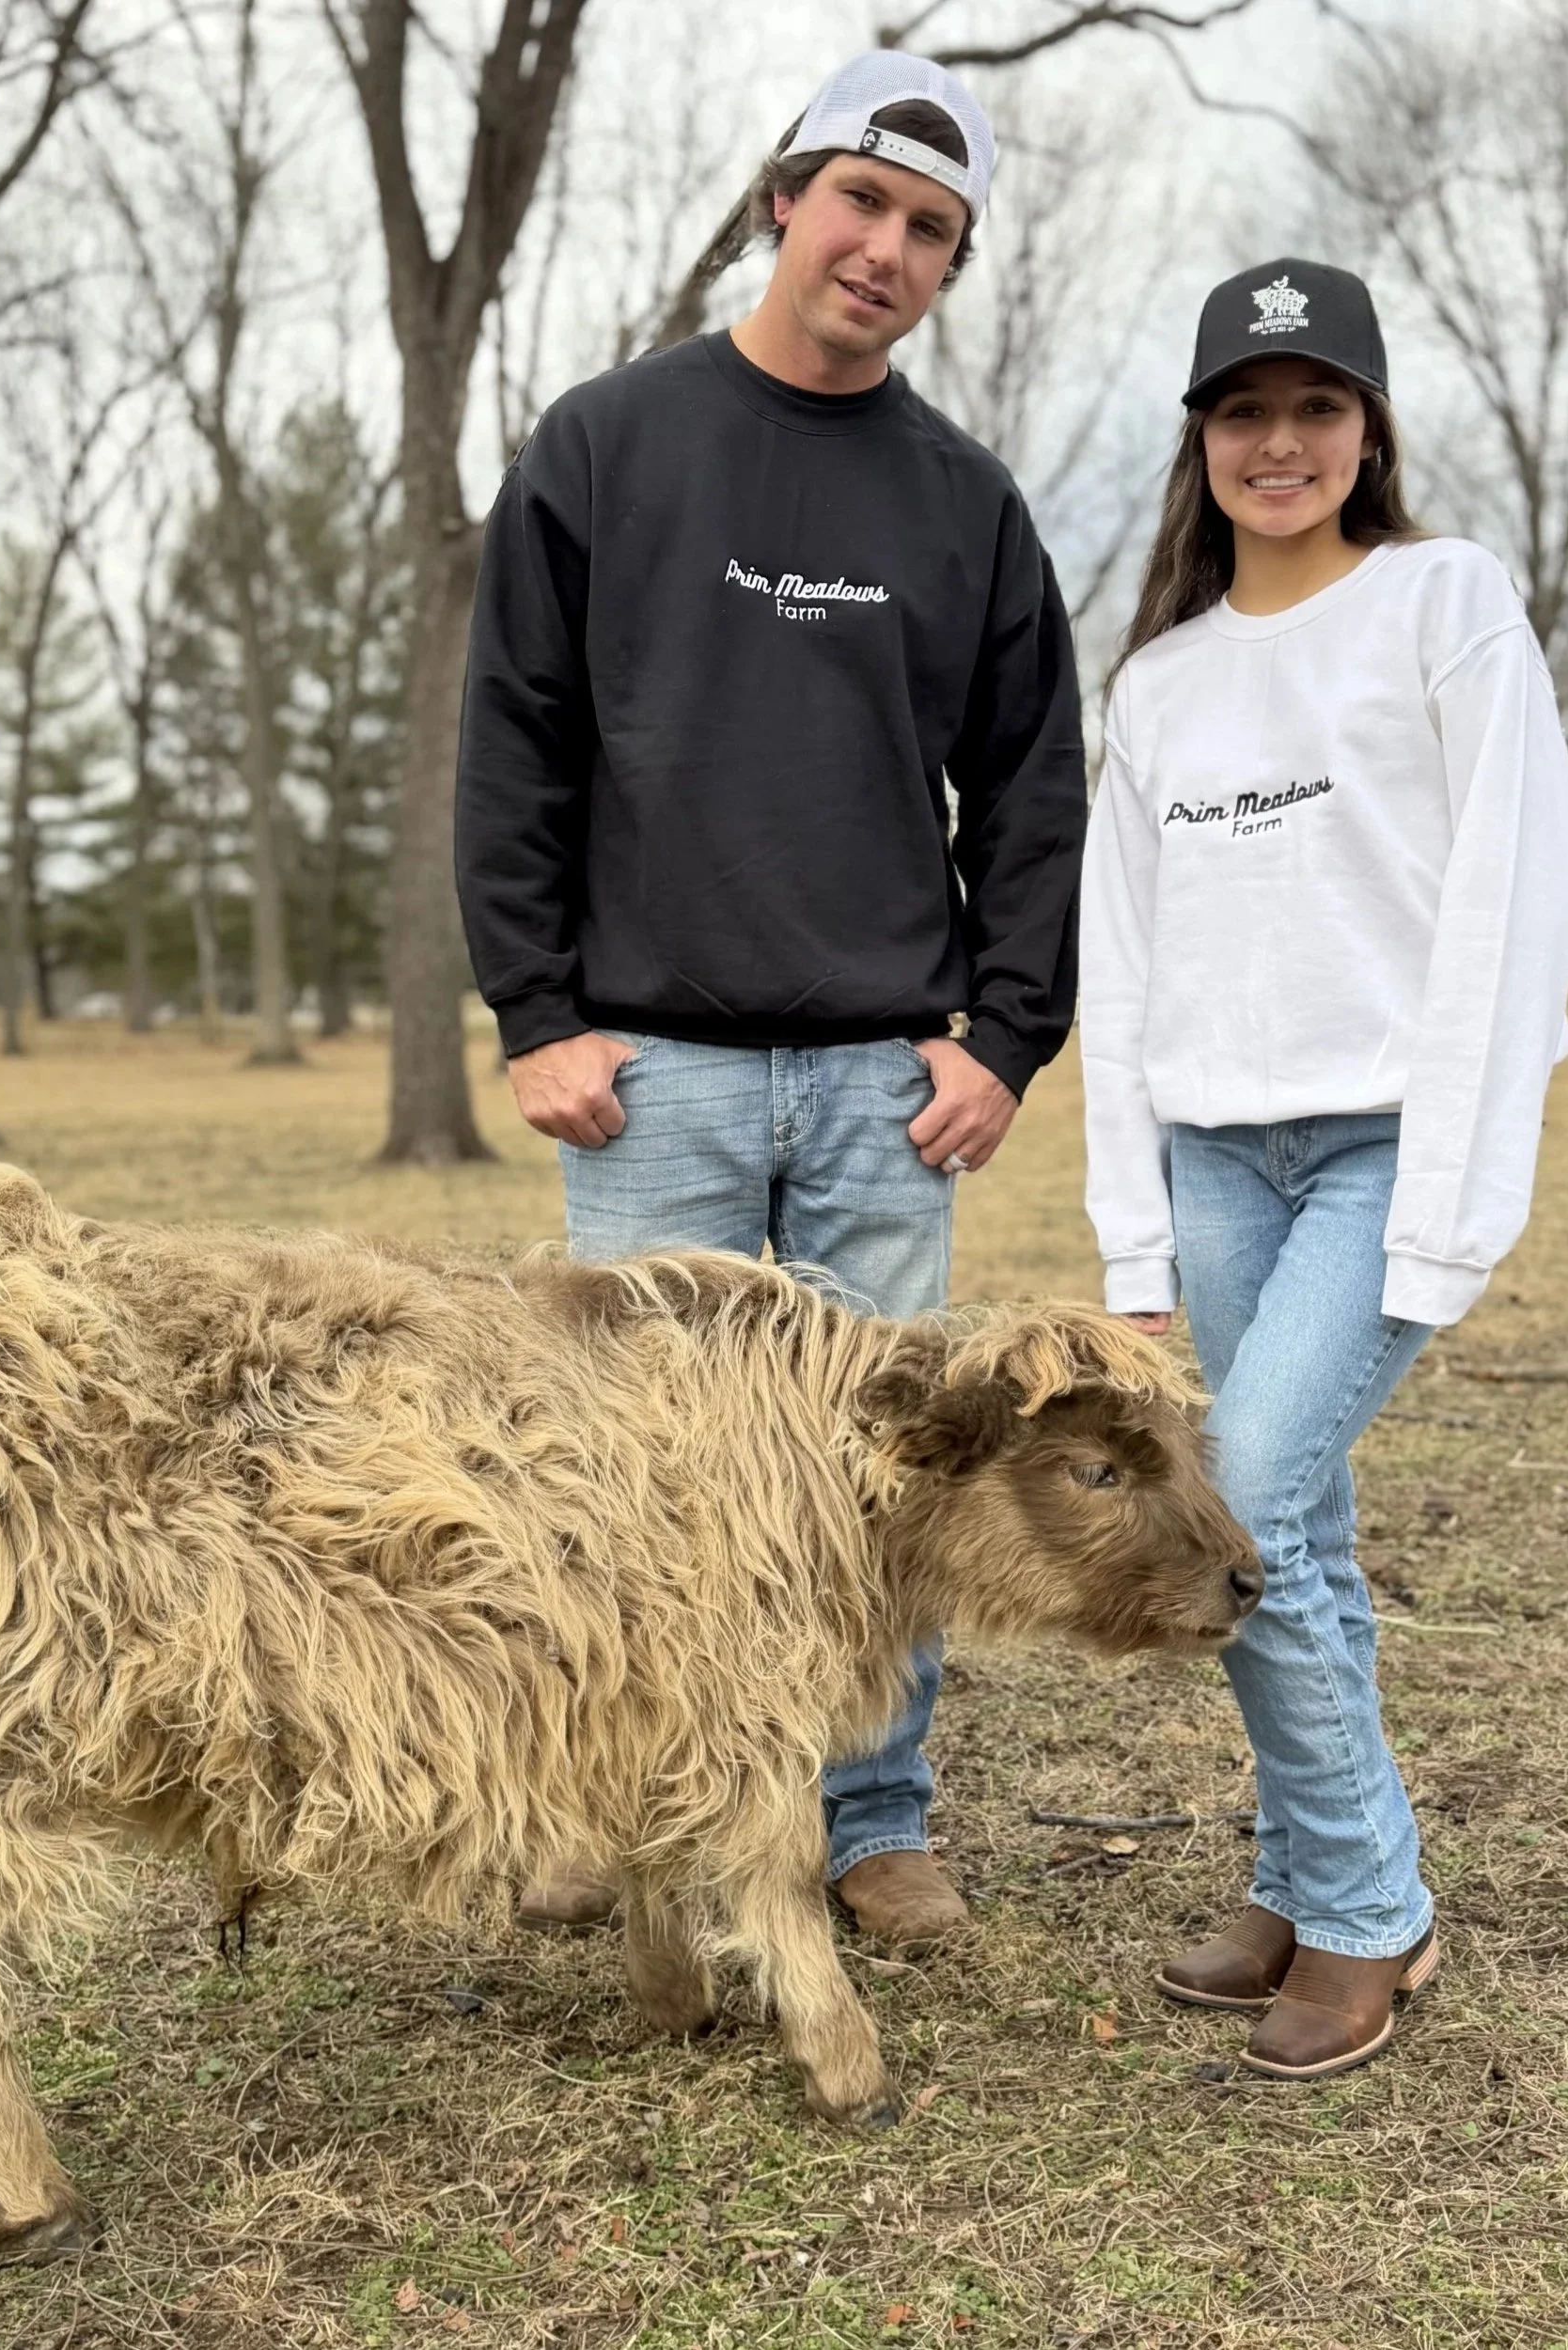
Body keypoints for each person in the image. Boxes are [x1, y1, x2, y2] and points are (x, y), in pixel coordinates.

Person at [454, 52, 1087, 1951]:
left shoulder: (963, 505)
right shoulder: (606, 446)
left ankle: (869, 1822)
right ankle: (634, 1813)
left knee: (883, 1483)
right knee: (632, 1480)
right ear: (781, 202)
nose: (884, 251)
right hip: (656, 1079)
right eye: (861, 204)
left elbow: (1036, 788)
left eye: (929, 234)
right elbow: (513, 746)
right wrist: (536, 1007)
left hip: (880, 1091)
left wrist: (999, 1036)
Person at [1079, 258, 1568, 2078]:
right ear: (1199, 441)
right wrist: (1129, 1231)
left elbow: (1510, 905)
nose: (1275, 441)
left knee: (1239, 1516)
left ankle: (1372, 1906)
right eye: (1241, 410)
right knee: (1300, 1535)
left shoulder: (1442, 605)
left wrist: (1451, 1192)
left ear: (1365, 430)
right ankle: (1297, 1877)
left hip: (1384, 1139)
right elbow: (1116, 971)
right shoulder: (1155, 681)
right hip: (1211, 1158)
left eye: (1312, 407)